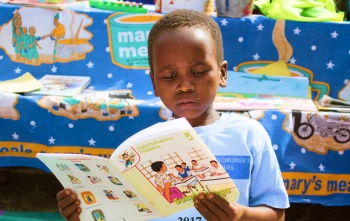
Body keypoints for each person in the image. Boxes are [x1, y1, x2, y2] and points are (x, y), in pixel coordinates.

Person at [56, 9, 289, 221]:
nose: (185, 85)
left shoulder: (248, 135)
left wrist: (241, 216)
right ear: (154, 84)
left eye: (197, 72)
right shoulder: (142, 150)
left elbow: (277, 214)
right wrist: (84, 213)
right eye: (169, 76)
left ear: (222, 73)